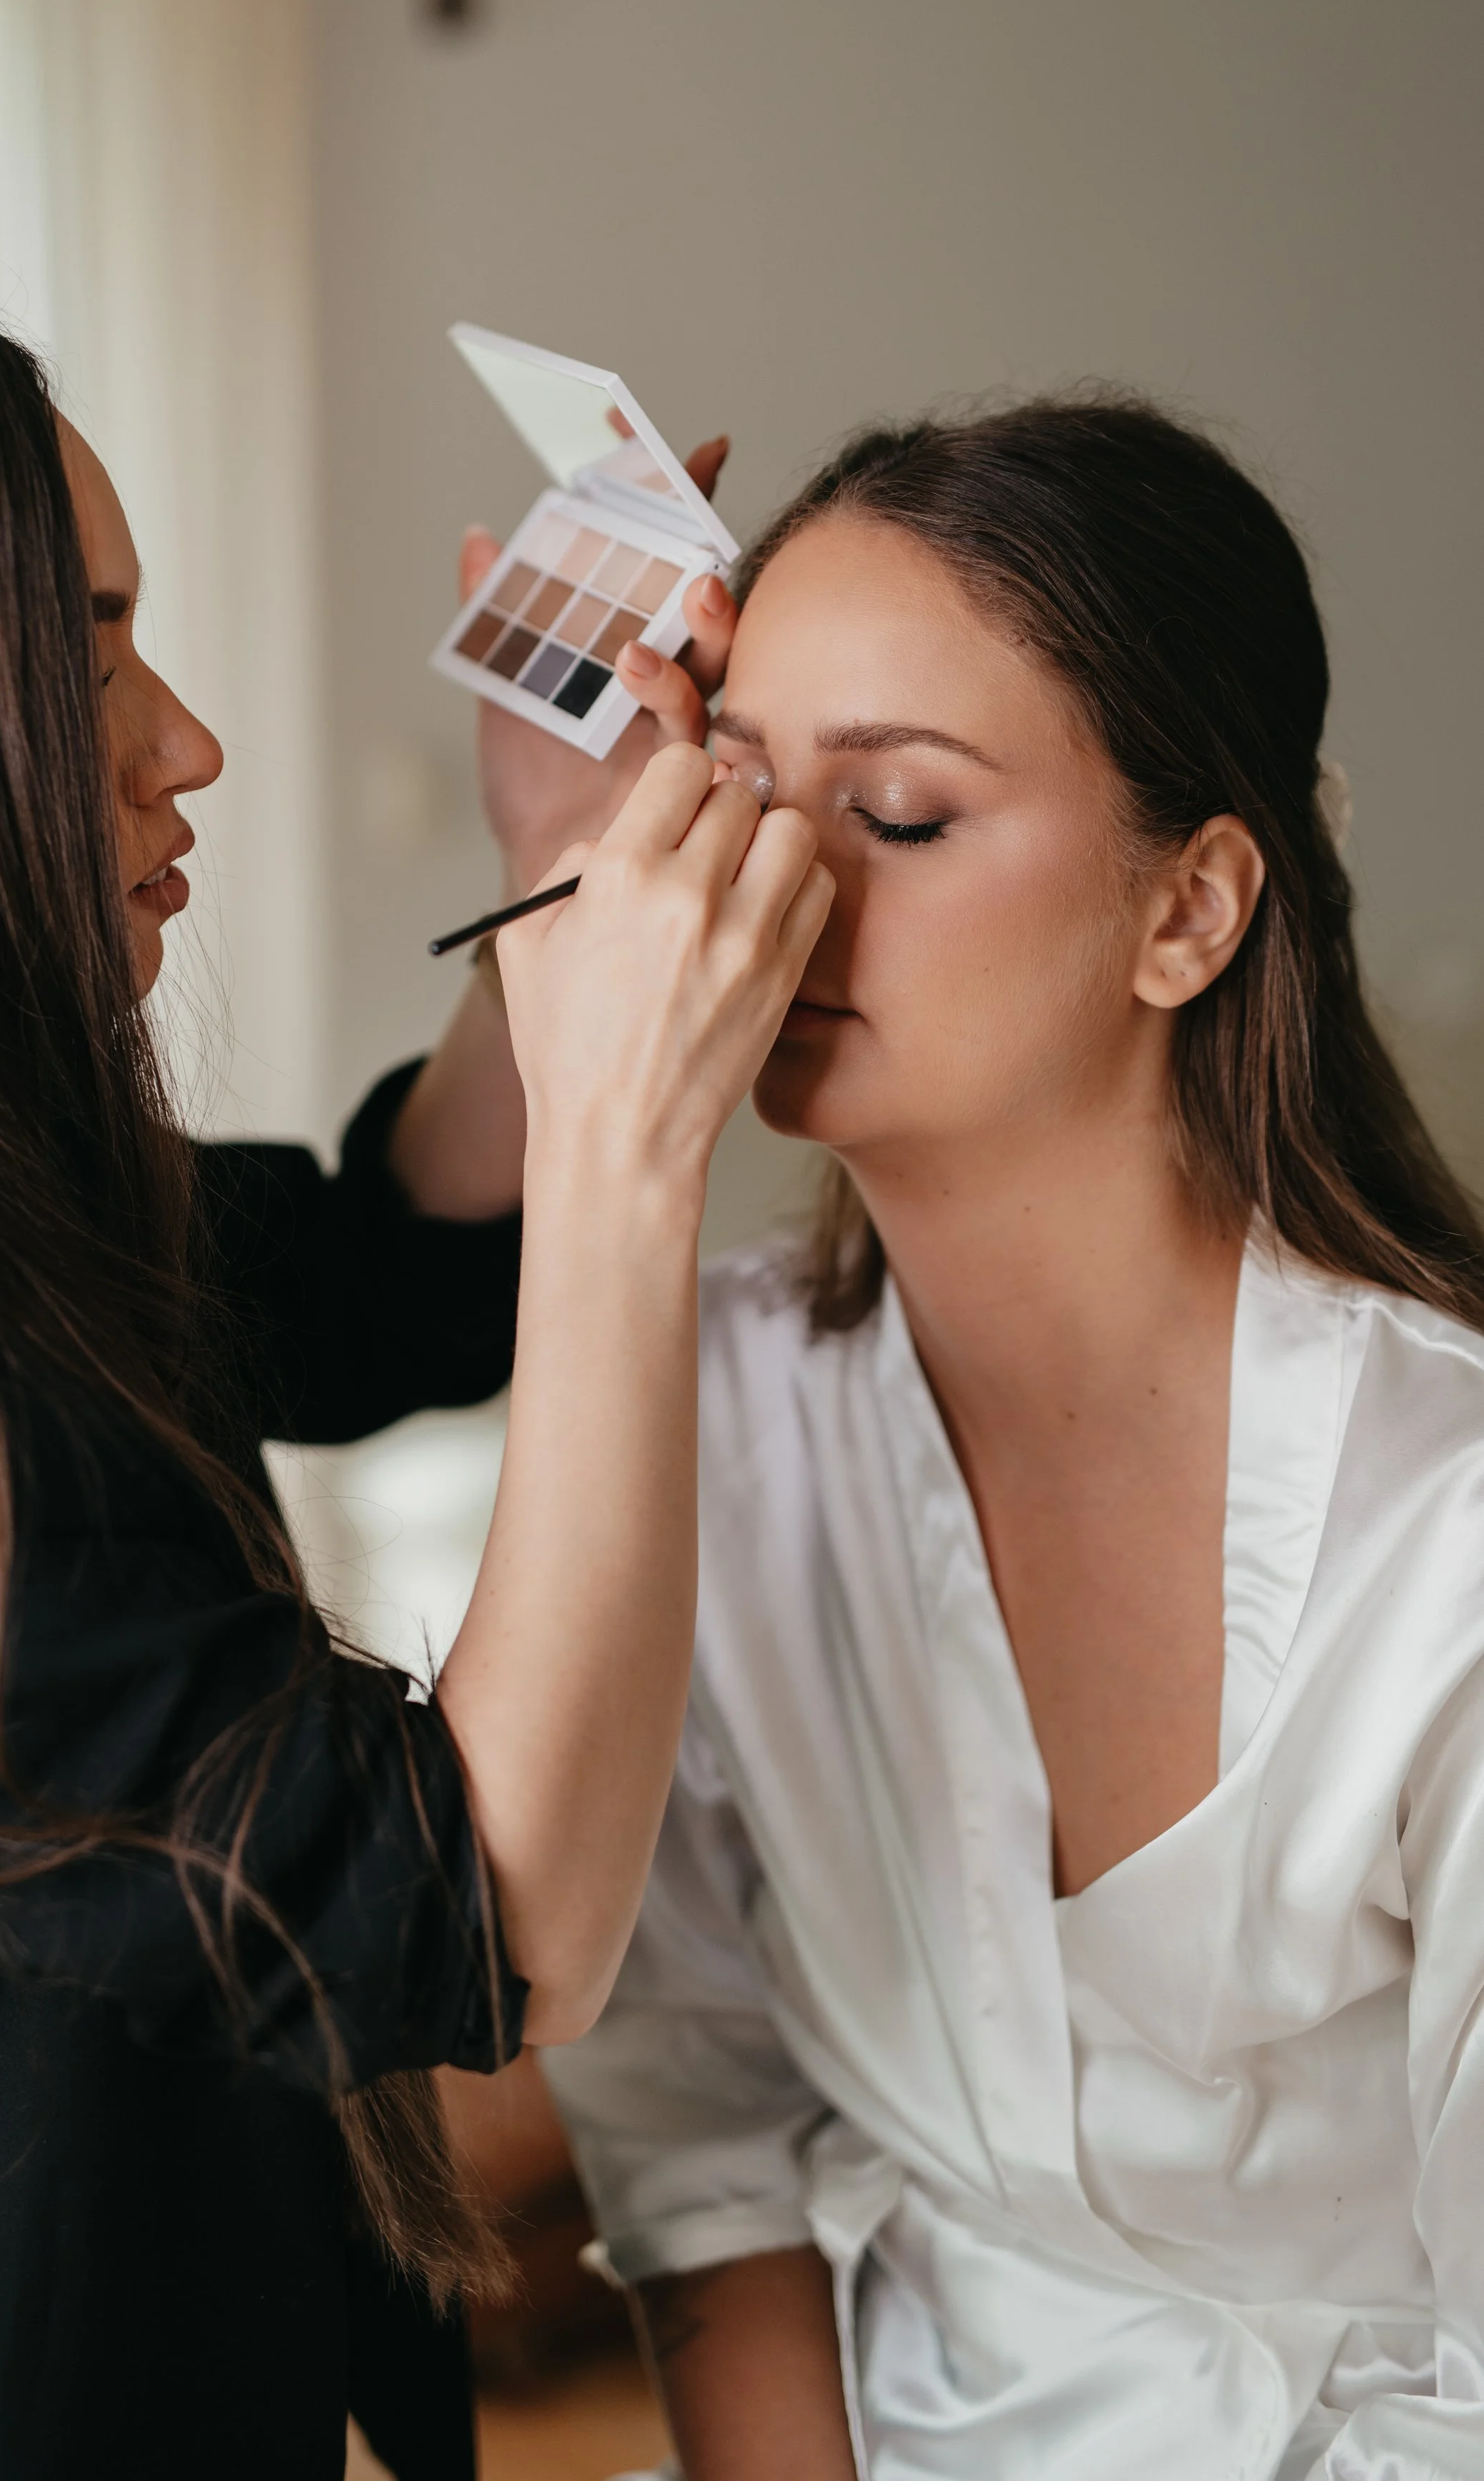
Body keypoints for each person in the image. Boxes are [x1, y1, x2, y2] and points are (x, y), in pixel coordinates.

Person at [0, 267, 831, 2481]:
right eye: (84, 651)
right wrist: (634, 1138)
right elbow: (490, 1915)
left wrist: (553, 866)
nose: (184, 738)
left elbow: (381, 1264)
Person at [543, 398, 1484, 2481]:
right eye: (730, 793)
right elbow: (694, 2140)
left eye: (891, 814)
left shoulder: (1446, 1533)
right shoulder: (705, 1413)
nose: (765, 890)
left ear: (1189, 910)